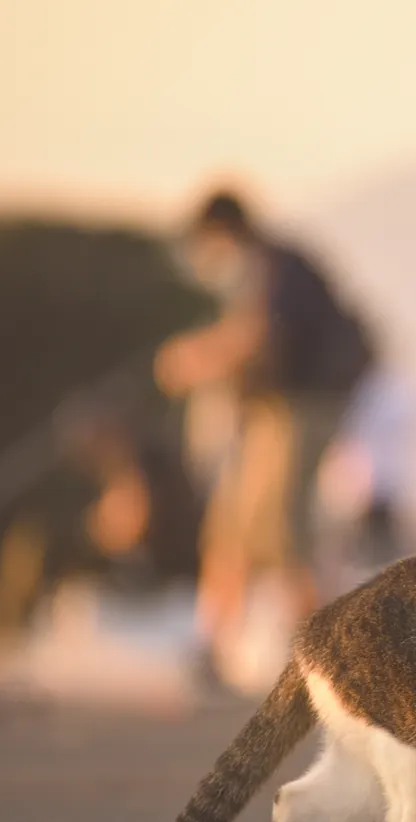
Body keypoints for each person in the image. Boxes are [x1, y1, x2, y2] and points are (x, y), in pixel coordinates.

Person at [154, 189, 377, 687]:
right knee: (232, 525)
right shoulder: (270, 267)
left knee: (282, 530)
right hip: (273, 413)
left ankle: (322, 661)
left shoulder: (275, 267)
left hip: (302, 410)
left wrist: (196, 358)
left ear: (222, 231)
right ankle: (212, 650)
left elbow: (260, 335)